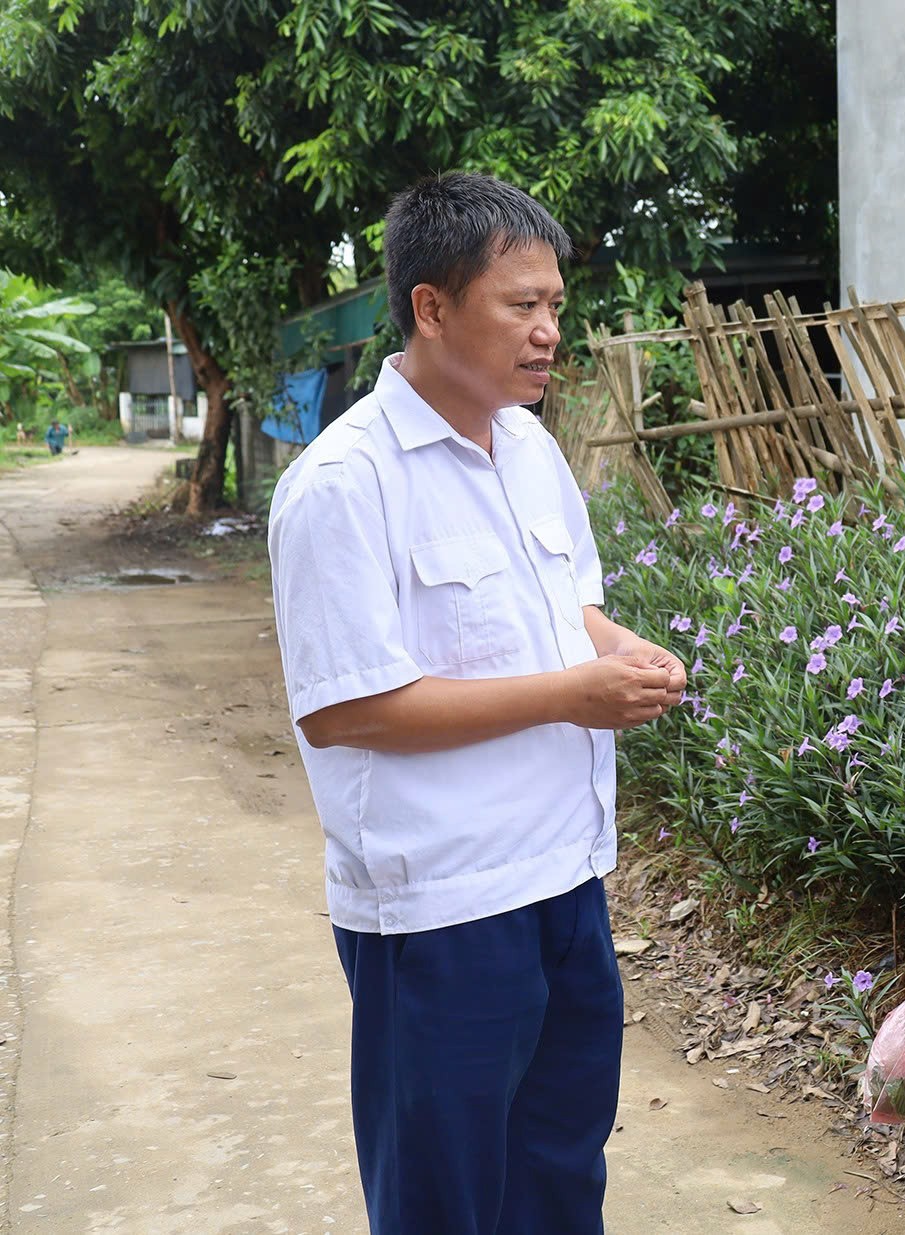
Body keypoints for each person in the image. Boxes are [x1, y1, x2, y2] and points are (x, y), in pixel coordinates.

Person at [267, 172, 687, 1235]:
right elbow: (348, 709)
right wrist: (571, 693)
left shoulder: (531, 447)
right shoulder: (343, 483)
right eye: (521, 306)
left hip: (565, 879)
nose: (549, 331)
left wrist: (620, 649)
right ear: (431, 306)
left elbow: (564, 606)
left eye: (555, 305)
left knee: (557, 1171)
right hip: (440, 906)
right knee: (443, 1196)